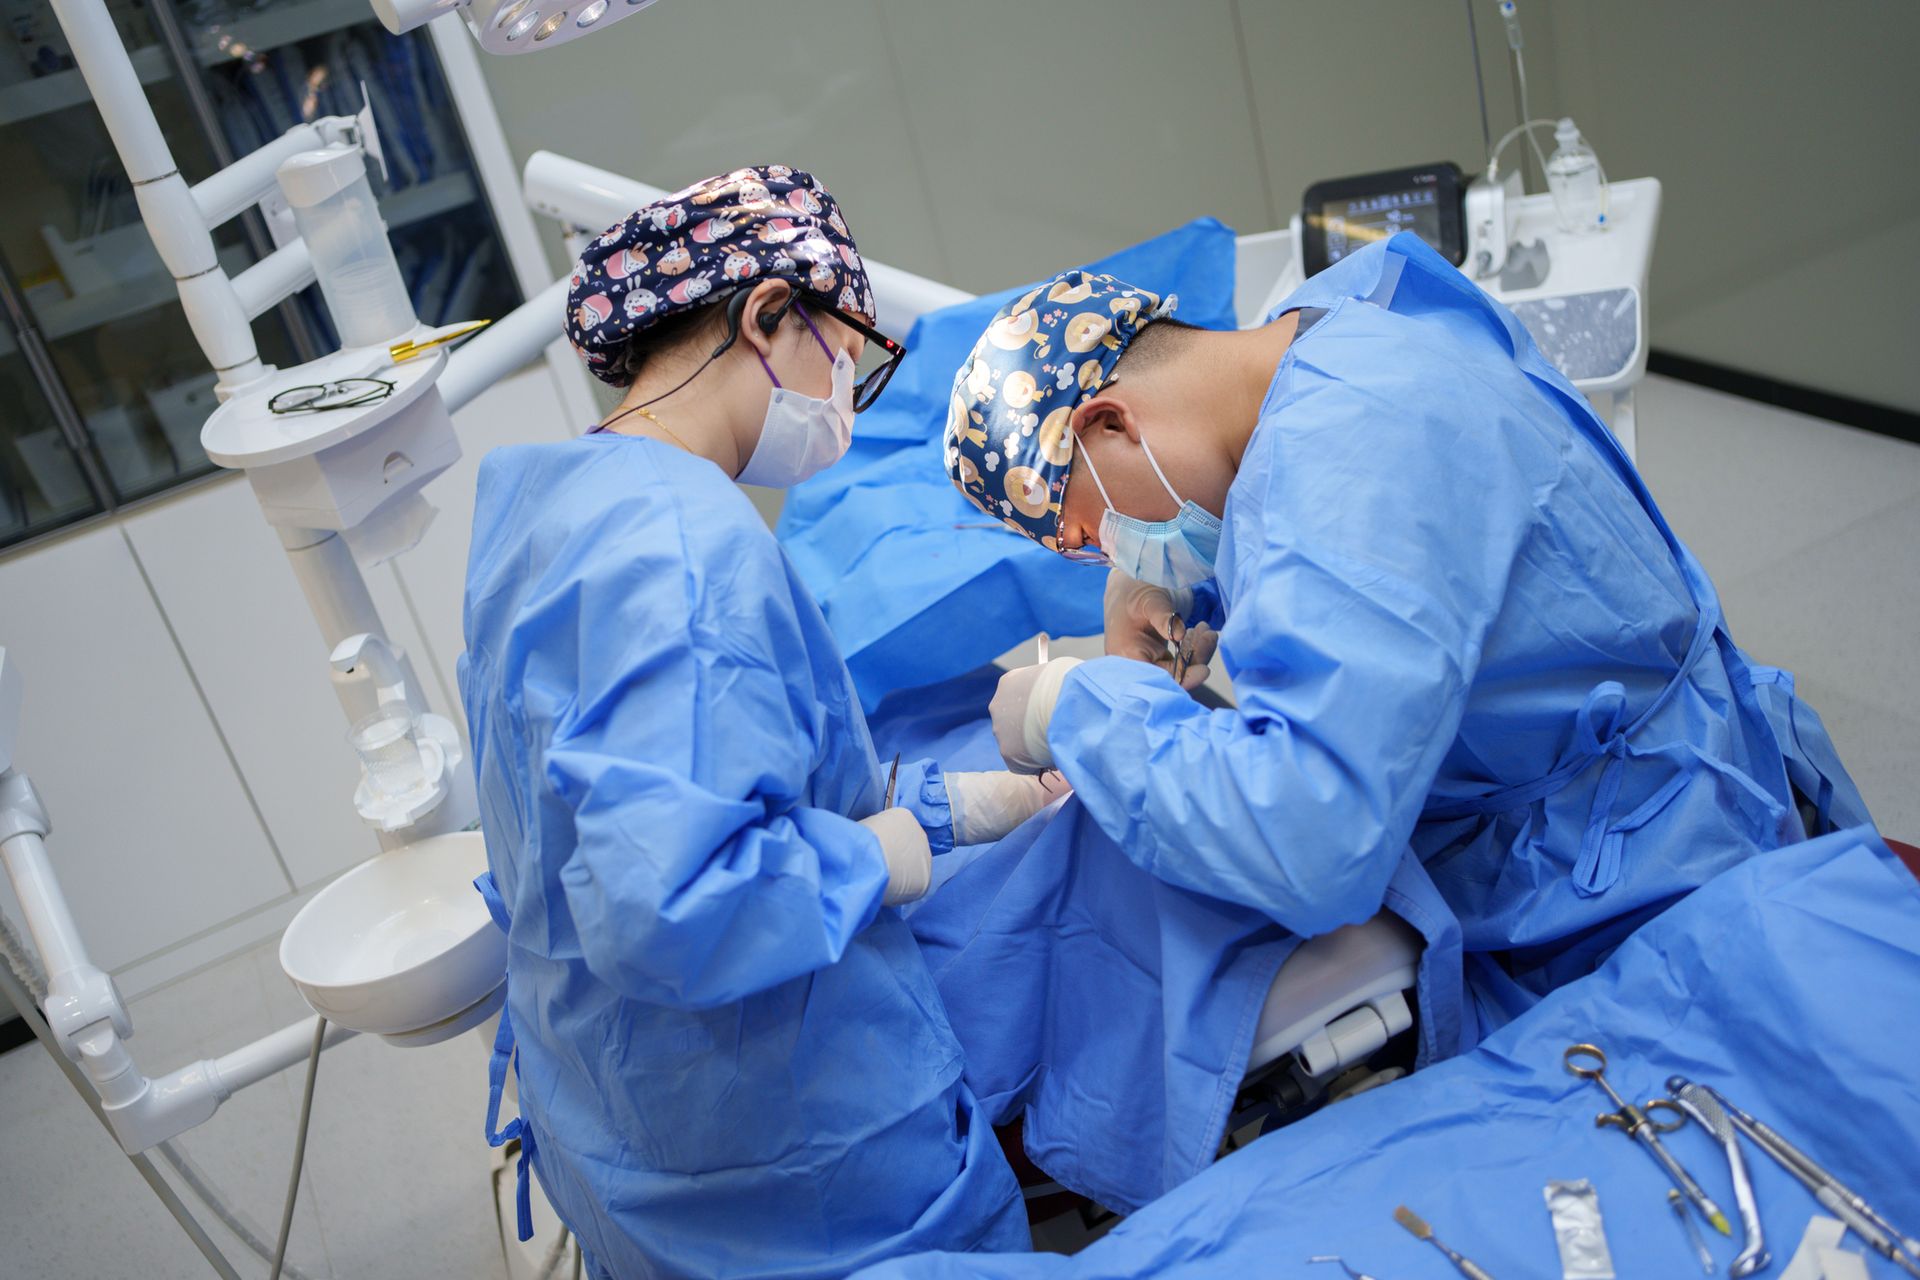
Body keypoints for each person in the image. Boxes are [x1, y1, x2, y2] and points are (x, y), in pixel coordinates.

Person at [945, 232, 1870, 1031]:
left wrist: (1075, 707)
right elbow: (1374, 557)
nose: (1109, 553)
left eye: (1093, 532)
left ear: (1110, 420)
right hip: (1635, 772)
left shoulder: (1349, 448)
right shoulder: (1334, 324)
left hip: (1645, 871)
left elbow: (1307, 837)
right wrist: (1175, 574)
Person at [460, 165, 1046, 1279]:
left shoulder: (546, 504)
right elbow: (671, 902)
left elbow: (663, 797)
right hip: (783, 1181)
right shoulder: (685, 548)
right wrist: (882, 853)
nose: (843, 400)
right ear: (769, 315)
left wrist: (951, 807)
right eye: (846, 357)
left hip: (612, 1111)